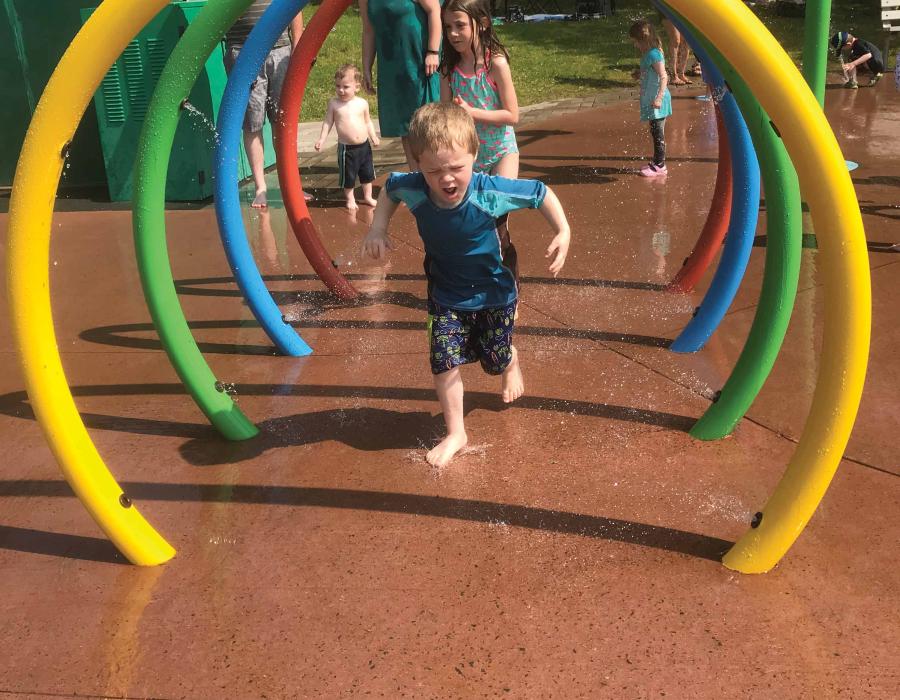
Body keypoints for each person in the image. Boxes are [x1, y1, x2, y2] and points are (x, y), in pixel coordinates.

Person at [361, 102, 571, 468]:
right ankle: (456, 432)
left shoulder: (489, 191)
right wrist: (378, 227)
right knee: (443, 362)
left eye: (457, 167)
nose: (446, 178)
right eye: (434, 170)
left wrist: (563, 230)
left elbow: (540, 193)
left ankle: (509, 360)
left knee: (493, 359)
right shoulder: (413, 187)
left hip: (495, 293)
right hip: (446, 294)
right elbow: (390, 191)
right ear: (418, 164)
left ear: (475, 155)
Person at [439, 0, 522, 290]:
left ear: (482, 23)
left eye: (460, 25)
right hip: (469, 158)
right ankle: (473, 280)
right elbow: (446, 116)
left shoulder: (495, 63)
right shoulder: (449, 69)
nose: (453, 33)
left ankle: (509, 288)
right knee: (466, 223)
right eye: (448, 26)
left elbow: (512, 115)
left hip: (501, 152)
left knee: (496, 221)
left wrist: (471, 113)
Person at [224, 0, 310, 208]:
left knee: (283, 120)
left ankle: (291, 184)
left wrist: (298, 42)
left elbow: (293, 6)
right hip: (243, 50)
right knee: (252, 122)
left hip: (280, 49)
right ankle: (260, 187)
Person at [360, 0, 443, 171]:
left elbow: (434, 10)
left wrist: (433, 52)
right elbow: (369, 30)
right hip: (391, 64)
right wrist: (366, 67)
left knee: (428, 122)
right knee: (406, 125)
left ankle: (438, 174)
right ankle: (417, 177)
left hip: (419, 60)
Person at [314, 64, 381, 210]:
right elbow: (328, 122)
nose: (341, 90)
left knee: (367, 173)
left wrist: (373, 136)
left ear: (357, 87)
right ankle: (350, 199)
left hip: (364, 146)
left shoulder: (362, 103)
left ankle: (368, 196)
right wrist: (322, 139)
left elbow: (367, 121)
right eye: (338, 86)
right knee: (348, 176)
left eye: (345, 86)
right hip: (347, 149)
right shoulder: (334, 104)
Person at [630, 19, 672, 178]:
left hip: (657, 101)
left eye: (636, 42)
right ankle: (657, 162)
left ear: (644, 40)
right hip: (652, 100)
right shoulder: (648, 54)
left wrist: (659, 98)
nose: (635, 45)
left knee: (658, 133)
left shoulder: (654, 54)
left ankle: (660, 166)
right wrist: (639, 74)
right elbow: (650, 72)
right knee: (655, 131)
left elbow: (663, 76)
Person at [659, 15, 691, 85]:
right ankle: (673, 76)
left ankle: (681, 74)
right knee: (675, 39)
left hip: (684, 10)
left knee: (686, 41)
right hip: (669, 10)